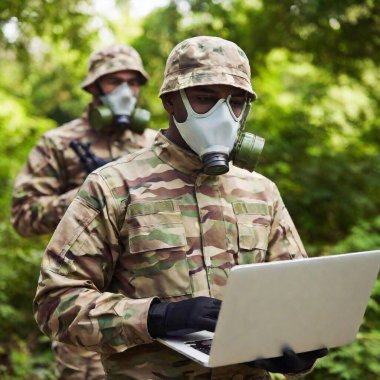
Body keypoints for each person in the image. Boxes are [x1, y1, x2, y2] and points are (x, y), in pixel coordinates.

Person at [33, 36, 328, 379]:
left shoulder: (261, 191)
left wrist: (296, 350)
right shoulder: (114, 186)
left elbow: (297, 299)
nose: (223, 114)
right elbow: (56, 304)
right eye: (205, 99)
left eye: (235, 102)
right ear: (172, 102)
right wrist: (156, 318)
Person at [12, 44, 156, 380]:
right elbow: (23, 216)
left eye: (132, 82)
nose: (125, 91)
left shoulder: (154, 145)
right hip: (82, 308)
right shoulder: (58, 144)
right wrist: (88, 193)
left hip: (148, 308)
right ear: (93, 87)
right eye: (113, 82)